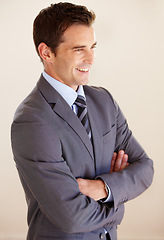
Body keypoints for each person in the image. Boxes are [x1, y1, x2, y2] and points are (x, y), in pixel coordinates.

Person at [11, 2, 154, 240]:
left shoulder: (103, 100)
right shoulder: (32, 119)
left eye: (93, 47)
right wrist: (117, 204)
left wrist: (102, 188)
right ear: (46, 53)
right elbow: (71, 217)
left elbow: (145, 168)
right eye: (79, 49)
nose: (91, 59)